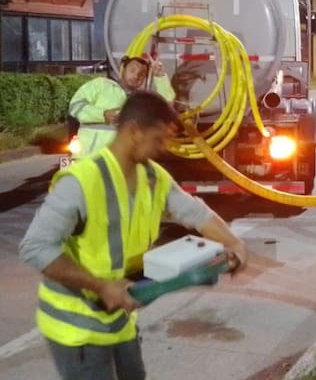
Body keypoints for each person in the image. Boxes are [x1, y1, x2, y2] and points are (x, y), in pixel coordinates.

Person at [19, 90, 248, 380]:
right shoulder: (82, 181)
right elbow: (35, 247)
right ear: (134, 131)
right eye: (159, 139)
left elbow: (195, 214)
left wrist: (234, 243)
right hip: (77, 328)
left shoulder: (153, 178)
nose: (164, 148)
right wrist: (102, 286)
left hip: (119, 320)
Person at [68, 56, 176, 158]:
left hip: (120, 162)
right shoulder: (100, 85)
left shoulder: (141, 100)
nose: (136, 75)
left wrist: (160, 77)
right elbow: (75, 106)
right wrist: (103, 114)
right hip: (89, 159)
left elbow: (166, 106)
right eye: (132, 70)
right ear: (123, 70)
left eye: (142, 74)